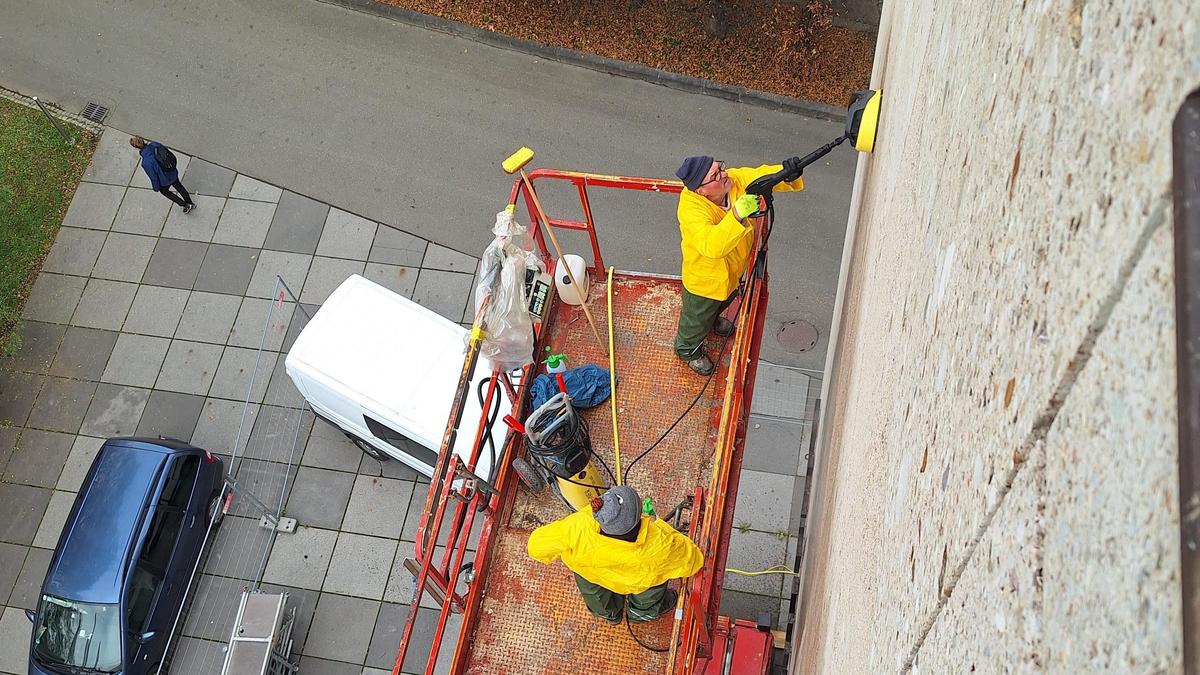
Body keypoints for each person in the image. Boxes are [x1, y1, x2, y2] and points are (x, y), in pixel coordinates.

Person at [672, 155, 805, 375]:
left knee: (723, 303)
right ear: (701, 191)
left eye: (720, 167)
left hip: (732, 273)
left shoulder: (732, 181)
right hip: (705, 283)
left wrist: (787, 174)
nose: (724, 174)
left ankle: (713, 322)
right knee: (695, 321)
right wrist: (736, 214)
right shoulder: (690, 210)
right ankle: (688, 351)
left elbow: (760, 175)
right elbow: (712, 245)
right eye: (715, 175)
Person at [527, 485, 704, 624]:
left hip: (591, 574)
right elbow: (692, 561)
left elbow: (536, 546)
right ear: (638, 518)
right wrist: (657, 525)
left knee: (595, 595)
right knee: (652, 591)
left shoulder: (578, 526)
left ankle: (610, 614)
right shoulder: (658, 545)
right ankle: (639, 615)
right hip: (636, 582)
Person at [130, 136, 195, 213]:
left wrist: (156, 188)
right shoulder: (155, 144)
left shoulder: (146, 162)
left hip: (164, 181)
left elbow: (154, 178)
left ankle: (184, 205)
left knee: (166, 192)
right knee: (179, 187)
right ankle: (190, 203)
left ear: (136, 148)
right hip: (172, 171)